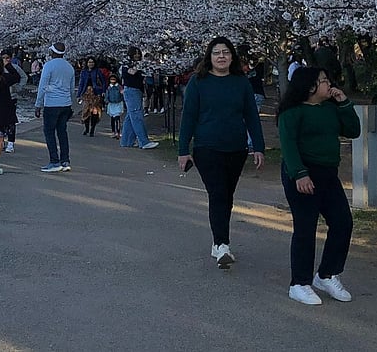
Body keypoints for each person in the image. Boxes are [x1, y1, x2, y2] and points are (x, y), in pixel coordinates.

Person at [178, 37, 266, 268]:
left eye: (225, 52)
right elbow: (188, 117)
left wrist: (258, 146)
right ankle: (222, 244)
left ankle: (218, 242)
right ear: (210, 57)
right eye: (216, 53)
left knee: (226, 195)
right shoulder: (198, 82)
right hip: (207, 147)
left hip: (236, 147)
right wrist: (182, 150)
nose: (221, 57)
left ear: (232, 56)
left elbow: (251, 116)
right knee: (217, 193)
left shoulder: (241, 83)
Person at [278, 66, 361, 305]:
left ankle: (326, 274)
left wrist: (344, 103)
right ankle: (299, 283)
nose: (328, 84)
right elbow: (289, 146)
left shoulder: (330, 109)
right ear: (309, 86)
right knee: (306, 226)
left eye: (327, 80)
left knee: (342, 222)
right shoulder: (292, 112)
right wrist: (300, 174)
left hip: (328, 173)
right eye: (323, 81)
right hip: (303, 173)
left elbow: (353, 130)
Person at [34, 42, 75, 173]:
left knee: (49, 132)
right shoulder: (69, 67)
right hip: (66, 104)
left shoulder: (49, 66)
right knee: (62, 132)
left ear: (53, 52)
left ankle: (54, 161)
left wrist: (38, 104)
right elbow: (71, 88)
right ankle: (65, 160)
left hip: (52, 104)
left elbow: (42, 86)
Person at [119, 46, 159, 149]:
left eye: (138, 53)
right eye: (135, 53)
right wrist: (139, 66)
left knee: (130, 117)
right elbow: (131, 73)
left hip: (137, 91)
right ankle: (144, 141)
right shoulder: (126, 65)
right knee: (137, 116)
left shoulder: (140, 65)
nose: (137, 55)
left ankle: (126, 141)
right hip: (131, 91)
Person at [2, 51, 27, 153]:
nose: (5, 60)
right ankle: (2, 141)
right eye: (3, 58)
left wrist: (19, 87)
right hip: (0, 98)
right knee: (0, 120)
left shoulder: (15, 68)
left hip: (12, 97)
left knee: (11, 120)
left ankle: (11, 143)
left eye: (7, 57)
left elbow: (24, 77)